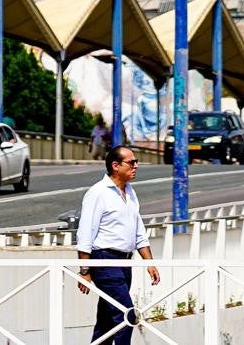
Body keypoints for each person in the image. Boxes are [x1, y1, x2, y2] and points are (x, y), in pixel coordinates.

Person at [76, 146, 160, 344]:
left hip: (125, 263)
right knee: (126, 315)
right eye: (131, 162)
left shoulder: (130, 192)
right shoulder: (98, 193)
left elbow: (139, 231)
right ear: (115, 165)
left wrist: (150, 262)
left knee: (107, 320)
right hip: (104, 261)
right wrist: (85, 270)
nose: (136, 166)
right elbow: (85, 233)